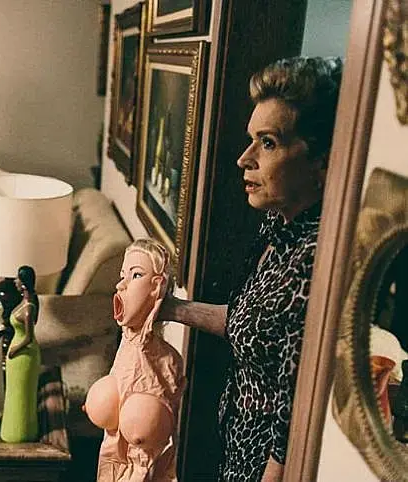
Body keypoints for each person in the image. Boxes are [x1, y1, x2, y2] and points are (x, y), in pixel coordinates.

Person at [159, 56, 343, 481]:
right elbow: (252, 323)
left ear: (322, 159)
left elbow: (292, 419)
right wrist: (170, 308)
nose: (245, 159)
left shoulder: (317, 260)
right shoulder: (279, 226)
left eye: (269, 143)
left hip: (267, 466)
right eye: (251, 140)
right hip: (236, 446)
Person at [84, 238, 185, 482]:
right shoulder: (125, 347)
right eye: (122, 276)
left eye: (136, 275)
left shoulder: (168, 361)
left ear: (156, 286)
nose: (121, 284)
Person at [0, 265, 42, 443]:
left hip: (24, 354)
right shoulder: (25, 302)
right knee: (13, 394)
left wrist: (14, 349)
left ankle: (22, 432)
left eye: (18, 278)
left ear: (24, 283)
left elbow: (29, 338)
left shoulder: (28, 308)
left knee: (21, 396)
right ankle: (11, 430)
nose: (15, 281)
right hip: (18, 354)